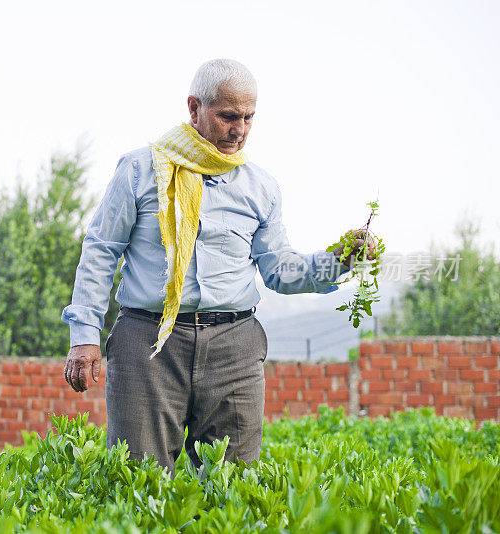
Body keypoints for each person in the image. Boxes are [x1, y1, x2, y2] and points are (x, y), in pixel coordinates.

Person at [61, 58, 375, 473]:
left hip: (234, 345)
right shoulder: (140, 170)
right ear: (194, 108)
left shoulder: (259, 186)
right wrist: (84, 335)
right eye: (228, 115)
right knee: (139, 481)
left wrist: (338, 261)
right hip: (148, 343)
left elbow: (279, 269)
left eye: (248, 117)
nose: (239, 129)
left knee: (233, 484)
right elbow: (101, 250)